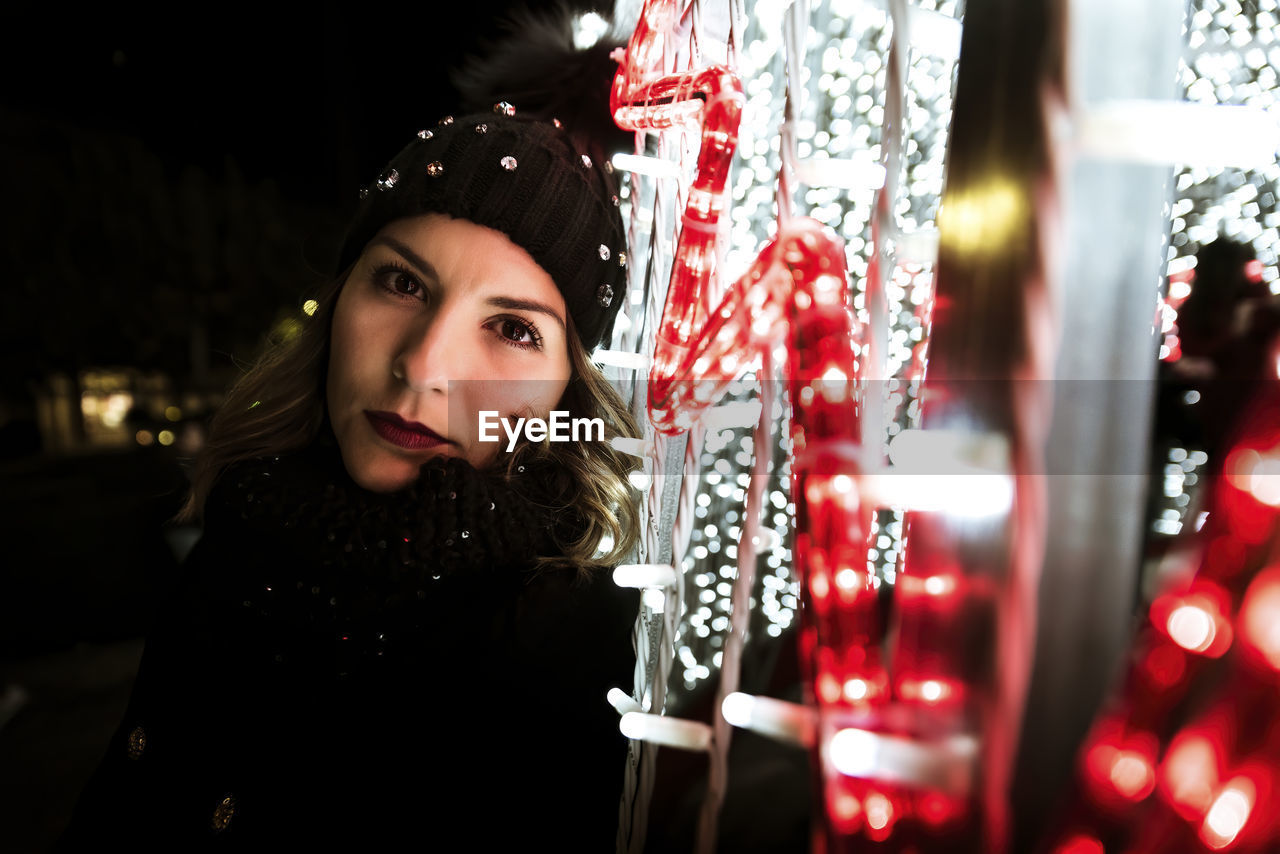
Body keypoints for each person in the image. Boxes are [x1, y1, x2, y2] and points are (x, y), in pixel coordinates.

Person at [59, 56, 644, 849]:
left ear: (563, 395)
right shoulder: (239, 533)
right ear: (338, 304)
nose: (424, 367)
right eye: (402, 284)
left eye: (513, 329)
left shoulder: (565, 647)